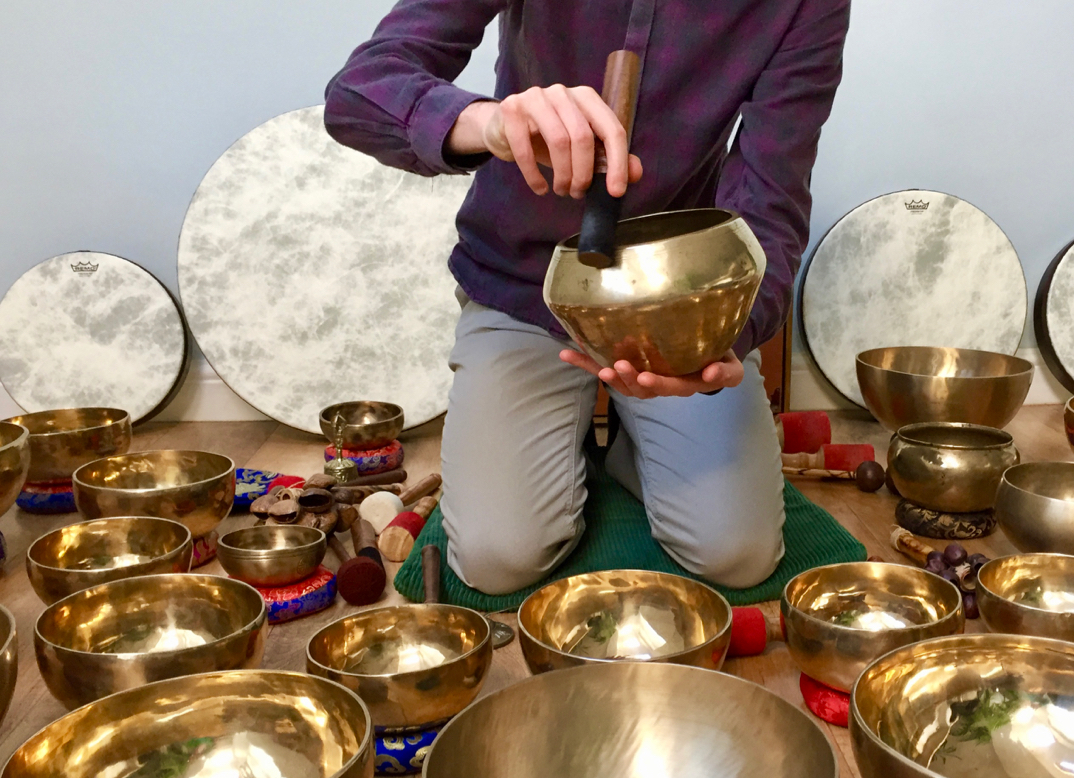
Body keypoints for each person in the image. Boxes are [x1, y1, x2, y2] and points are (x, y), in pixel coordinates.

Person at [326, 0, 849, 595]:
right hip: (522, 289)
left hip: (675, 310)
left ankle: (626, 444)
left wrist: (732, 333)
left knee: (737, 554)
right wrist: (492, 123)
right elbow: (359, 91)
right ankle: (579, 435)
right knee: (500, 560)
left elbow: (771, 199)